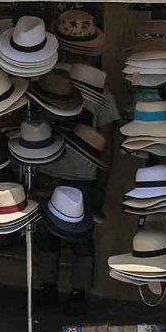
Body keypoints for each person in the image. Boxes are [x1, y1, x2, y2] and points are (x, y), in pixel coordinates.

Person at [37, 82, 119, 315]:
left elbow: (107, 142)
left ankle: (78, 291)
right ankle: (48, 286)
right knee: (45, 234)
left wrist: (101, 183)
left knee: (82, 237)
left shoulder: (104, 97)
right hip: (49, 171)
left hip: (83, 176)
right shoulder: (53, 87)